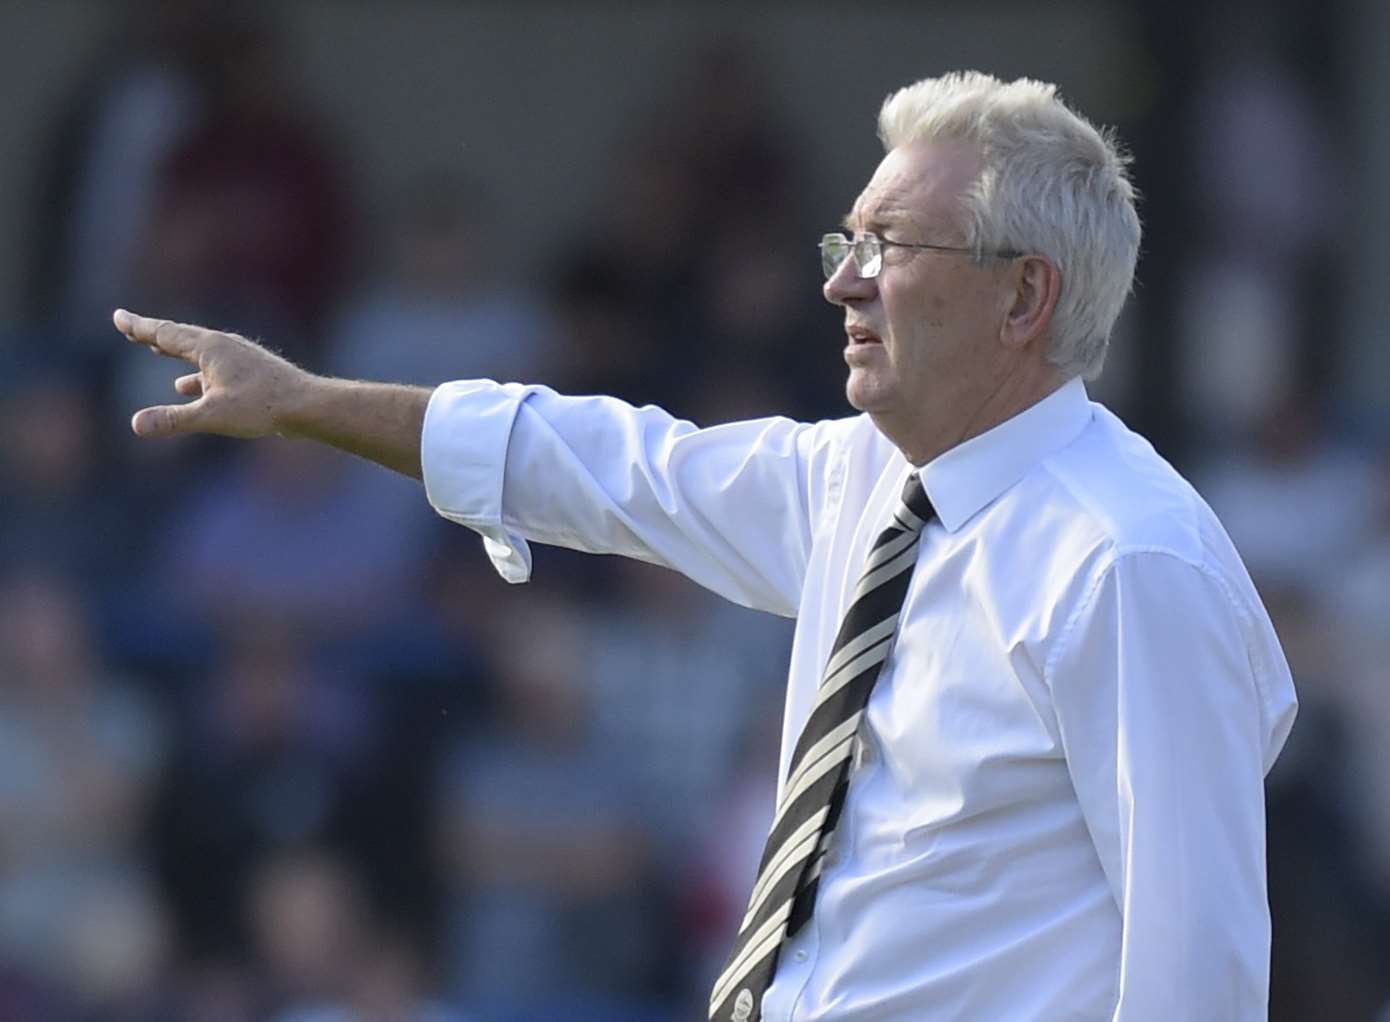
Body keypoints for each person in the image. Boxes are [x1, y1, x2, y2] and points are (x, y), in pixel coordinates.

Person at [112, 71, 1297, 1021]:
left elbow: (1197, 972)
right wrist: (304, 400)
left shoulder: (1129, 562)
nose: (842, 281)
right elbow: (594, 463)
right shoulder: (864, 478)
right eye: (846, 238)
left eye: (890, 246)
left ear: (1023, 297)